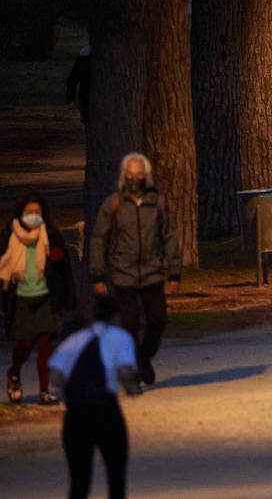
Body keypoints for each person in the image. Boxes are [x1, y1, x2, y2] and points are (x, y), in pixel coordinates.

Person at [89, 153, 181, 387]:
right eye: (131, 175)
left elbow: (169, 236)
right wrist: (98, 274)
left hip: (152, 271)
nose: (135, 179)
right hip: (123, 274)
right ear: (124, 176)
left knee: (157, 321)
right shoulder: (114, 204)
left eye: (139, 175)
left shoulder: (157, 203)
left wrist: (174, 272)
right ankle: (136, 366)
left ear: (146, 176)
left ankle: (142, 360)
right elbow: (99, 238)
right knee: (129, 324)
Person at [49, 293, 141, 499]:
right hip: (106, 411)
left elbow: (55, 376)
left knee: (79, 483)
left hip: (76, 415)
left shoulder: (75, 339)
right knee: (116, 478)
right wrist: (132, 388)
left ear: (93, 316)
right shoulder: (120, 337)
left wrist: (77, 387)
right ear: (116, 315)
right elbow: (125, 370)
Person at [3, 193, 76, 405]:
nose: (33, 216)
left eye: (37, 212)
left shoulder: (50, 235)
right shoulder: (9, 235)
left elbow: (63, 269)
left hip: (45, 296)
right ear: (21, 213)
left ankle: (44, 391)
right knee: (24, 345)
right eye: (29, 212)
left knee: (45, 344)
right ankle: (14, 374)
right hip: (20, 298)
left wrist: (68, 297)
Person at [66, 46, 91, 125]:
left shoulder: (85, 53)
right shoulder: (85, 53)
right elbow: (73, 77)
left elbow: (73, 77)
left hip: (86, 95)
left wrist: (70, 96)